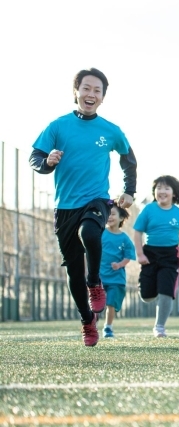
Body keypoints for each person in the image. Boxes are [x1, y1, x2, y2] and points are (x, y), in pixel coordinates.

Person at [29, 68, 137, 347]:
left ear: (103, 97)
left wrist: (129, 190)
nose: (91, 94)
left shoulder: (111, 130)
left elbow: (129, 160)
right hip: (65, 207)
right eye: (86, 88)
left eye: (97, 90)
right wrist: (47, 162)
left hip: (97, 199)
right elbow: (36, 156)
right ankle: (87, 322)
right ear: (76, 92)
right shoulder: (58, 126)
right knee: (73, 271)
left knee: (90, 233)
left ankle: (95, 282)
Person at [134, 175, 179, 338]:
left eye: (166, 188)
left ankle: (159, 327)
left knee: (166, 291)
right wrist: (140, 254)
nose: (162, 191)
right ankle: (150, 290)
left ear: (174, 193)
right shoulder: (148, 210)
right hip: (150, 254)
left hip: (170, 256)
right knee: (147, 296)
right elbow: (138, 232)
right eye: (158, 188)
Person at [100, 203, 136, 338]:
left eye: (113, 214)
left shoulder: (124, 238)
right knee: (97, 304)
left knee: (111, 303)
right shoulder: (100, 233)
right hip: (99, 277)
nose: (110, 217)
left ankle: (108, 327)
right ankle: (92, 322)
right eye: (107, 214)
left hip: (116, 279)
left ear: (121, 218)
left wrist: (120, 265)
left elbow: (129, 256)